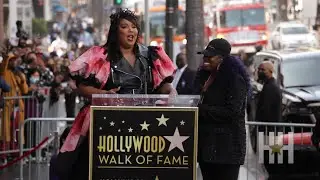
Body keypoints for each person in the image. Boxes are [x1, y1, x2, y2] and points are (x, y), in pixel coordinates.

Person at [56, 9, 176, 180]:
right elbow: (82, 86)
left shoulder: (150, 55)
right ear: (115, 31)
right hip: (106, 124)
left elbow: (162, 86)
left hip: (143, 123)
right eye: (125, 27)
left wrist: (171, 91)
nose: (131, 31)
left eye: (134, 27)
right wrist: (104, 94)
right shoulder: (100, 55)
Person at [195, 38, 249, 180]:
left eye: (210, 56)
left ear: (221, 59)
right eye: (204, 56)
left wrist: (201, 110)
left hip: (227, 151)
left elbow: (232, 112)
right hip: (207, 149)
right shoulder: (204, 77)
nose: (205, 59)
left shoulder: (235, 79)